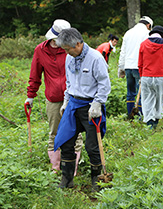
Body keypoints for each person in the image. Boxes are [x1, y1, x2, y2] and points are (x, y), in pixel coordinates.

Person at [54, 28, 111, 191]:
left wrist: (97, 103)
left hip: (90, 106)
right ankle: (67, 179)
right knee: (66, 141)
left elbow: (104, 84)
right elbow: (69, 82)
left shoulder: (95, 58)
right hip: (73, 104)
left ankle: (96, 180)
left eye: (68, 49)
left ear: (78, 44)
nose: (66, 52)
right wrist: (66, 101)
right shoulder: (69, 58)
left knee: (92, 146)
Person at [24, 19, 83, 176]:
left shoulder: (71, 49)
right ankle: (56, 169)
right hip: (53, 98)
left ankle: (73, 169)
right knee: (54, 133)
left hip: (74, 97)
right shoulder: (40, 51)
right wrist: (30, 96)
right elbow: (35, 75)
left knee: (76, 134)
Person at [138, 26, 163, 129]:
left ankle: (149, 123)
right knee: (159, 98)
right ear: (162, 35)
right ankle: (156, 120)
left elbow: (140, 63)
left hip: (147, 76)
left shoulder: (143, 44)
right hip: (161, 76)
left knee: (147, 99)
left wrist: (141, 75)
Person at [118, 16, 153, 118]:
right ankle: (140, 116)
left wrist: (121, 67)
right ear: (148, 25)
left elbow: (123, 51)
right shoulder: (146, 34)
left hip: (128, 66)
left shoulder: (128, 32)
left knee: (130, 92)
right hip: (140, 67)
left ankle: (130, 115)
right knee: (141, 93)